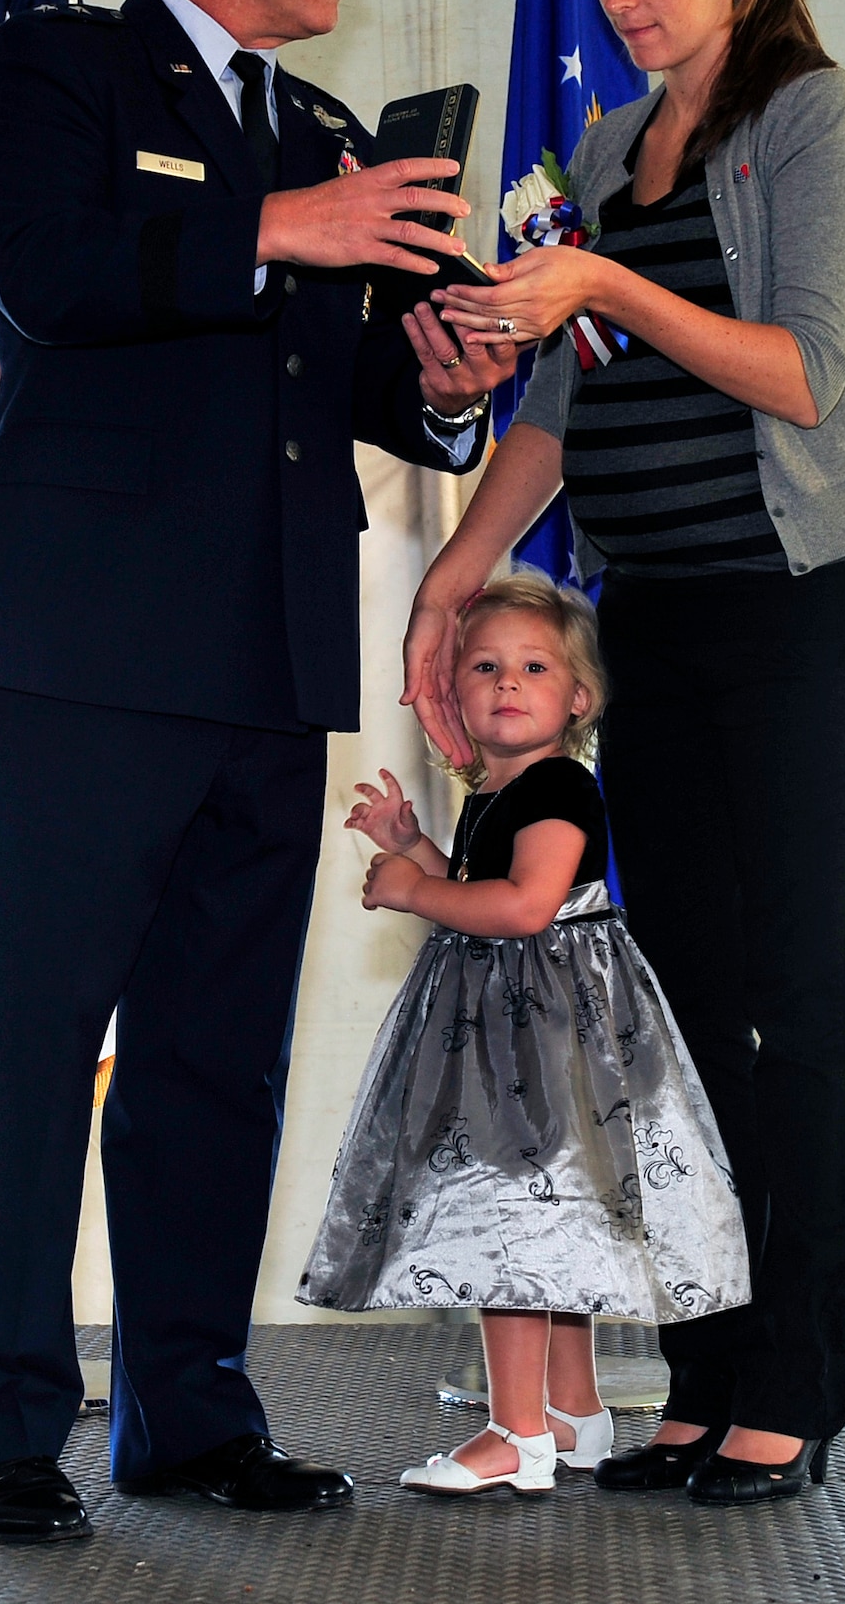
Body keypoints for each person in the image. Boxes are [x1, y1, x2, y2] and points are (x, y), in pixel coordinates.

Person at [0, 0, 518, 1544]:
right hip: (85, 659)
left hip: (265, 658)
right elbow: (51, 280)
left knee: (212, 1060)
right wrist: (276, 227)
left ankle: (189, 1413)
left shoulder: (327, 134)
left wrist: (436, 380)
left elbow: (344, 382)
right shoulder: (57, 67)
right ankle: (1, 1428)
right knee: (32, 1049)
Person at [405, 0, 845, 1506]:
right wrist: (460, 573)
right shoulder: (609, 145)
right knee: (677, 1012)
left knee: (798, 997)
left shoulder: (803, 117)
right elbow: (564, 401)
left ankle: (797, 1379)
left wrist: (606, 272)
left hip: (799, 604)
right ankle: (700, 1373)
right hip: (660, 620)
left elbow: (805, 373)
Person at [298, 574, 750, 1496]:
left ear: (577, 698)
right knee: (553, 1225)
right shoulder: (504, 791)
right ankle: (573, 1414)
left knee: (511, 1226)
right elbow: (481, 884)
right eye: (485, 666)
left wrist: (416, 890)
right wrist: (417, 846)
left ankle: (516, 1434)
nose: (507, 682)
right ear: (454, 692)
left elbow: (526, 905)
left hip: (538, 1038)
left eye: (533, 667)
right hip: (515, 1030)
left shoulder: (557, 789)